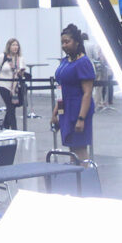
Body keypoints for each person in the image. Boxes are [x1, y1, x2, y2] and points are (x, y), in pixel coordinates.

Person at [52, 23, 95, 161]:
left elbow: (87, 93)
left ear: (76, 42)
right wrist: (55, 114)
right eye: (62, 43)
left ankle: (84, 180)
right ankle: (76, 180)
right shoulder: (65, 61)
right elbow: (60, 89)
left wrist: (81, 119)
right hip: (65, 110)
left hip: (78, 110)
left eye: (67, 42)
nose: (64, 45)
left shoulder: (83, 62)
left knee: (80, 149)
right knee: (72, 149)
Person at [0, 37, 23, 130]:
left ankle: (4, 126)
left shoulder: (20, 59)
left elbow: (21, 73)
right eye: (13, 45)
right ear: (9, 46)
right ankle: (14, 129)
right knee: (11, 107)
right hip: (3, 85)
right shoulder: (3, 56)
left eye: (17, 45)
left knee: (11, 108)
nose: (15, 47)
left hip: (15, 87)